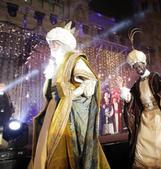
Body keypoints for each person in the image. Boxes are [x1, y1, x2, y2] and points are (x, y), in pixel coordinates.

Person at [29, 22, 110, 169]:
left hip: (67, 112)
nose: (51, 47)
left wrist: (72, 94)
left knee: (62, 146)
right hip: (53, 109)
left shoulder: (75, 59)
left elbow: (90, 81)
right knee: (45, 146)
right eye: (50, 43)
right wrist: (48, 78)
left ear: (62, 44)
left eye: (55, 43)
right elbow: (50, 91)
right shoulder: (56, 64)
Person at [117, 49, 161, 169]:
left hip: (158, 115)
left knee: (160, 143)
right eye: (135, 67)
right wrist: (122, 88)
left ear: (144, 64)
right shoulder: (137, 84)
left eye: (139, 65)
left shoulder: (155, 77)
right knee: (143, 143)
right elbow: (132, 100)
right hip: (145, 117)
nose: (138, 69)